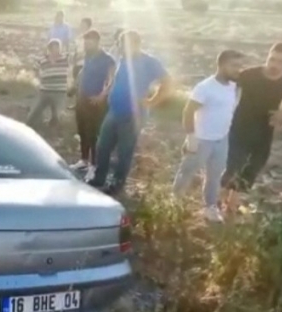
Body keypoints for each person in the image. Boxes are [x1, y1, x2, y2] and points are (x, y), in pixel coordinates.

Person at [87, 31, 174, 195]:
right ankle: (99, 178)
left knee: (124, 151)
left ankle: (117, 184)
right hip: (114, 111)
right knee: (103, 146)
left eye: (123, 44)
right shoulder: (124, 59)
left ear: (135, 44)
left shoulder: (149, 62)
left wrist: (152, 101)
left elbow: (167, 82)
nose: (120, 48)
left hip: (133, 115)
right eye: (120, 44)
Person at [220, 42, 282, 213]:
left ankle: (232, 205)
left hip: (265, 130)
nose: (274, 65)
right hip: (239, 127)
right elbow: (223, 91)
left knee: (253, 167)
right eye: (272, 59)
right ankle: (216, 203)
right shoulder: (249, 75)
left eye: (280, 62)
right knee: (233, 166)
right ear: (267, 56)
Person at [172, 50, 245, 222]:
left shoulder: (234, 86)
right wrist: (191, 138)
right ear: (221, 65)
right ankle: (174, 203)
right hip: (202, 139)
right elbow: (188, 112)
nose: (238, 70)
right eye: (234, 66)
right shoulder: (205, 87)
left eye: (240, 66)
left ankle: (210, 207)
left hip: (222, 139)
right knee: (187, 172)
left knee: (214, 176)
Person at [70, 30, 116, 176]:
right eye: (85, 42)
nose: (86, 45)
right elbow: (83, 71)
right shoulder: (88, 56)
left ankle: (94, 164)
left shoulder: (107, 59)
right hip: (82, 99)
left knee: (94, 133)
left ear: (97, 42)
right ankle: (83, 160)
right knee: (82, 131)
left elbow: (111, 80)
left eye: (89, 42)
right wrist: (75, 86)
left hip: (96, 102)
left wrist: (102, 96)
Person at [27, 39, 71, 127]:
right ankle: (34, 126)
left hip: (59, 92)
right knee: (31, 117)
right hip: (45, 91)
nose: (55, 50)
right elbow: (33, 72)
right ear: (49, 49)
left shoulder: (65, 58)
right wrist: (37, 82)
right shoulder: (42, 60)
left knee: (58, 117)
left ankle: (53, 127)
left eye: (57, 48)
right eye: (53, 48)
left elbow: (78, 55)